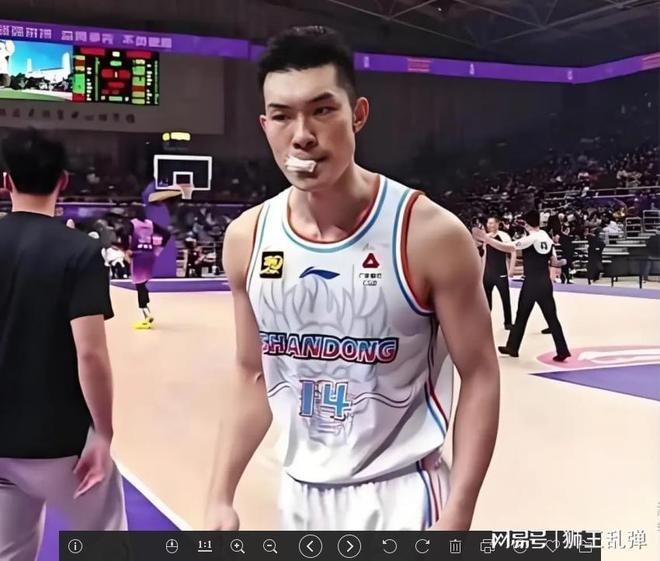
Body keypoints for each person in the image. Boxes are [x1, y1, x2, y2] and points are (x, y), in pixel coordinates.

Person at [204, 26, 500, 532]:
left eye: (322, 110)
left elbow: (480, 374)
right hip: (299, 494)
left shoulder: (429, 234)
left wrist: (459, 513)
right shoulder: (247, 238)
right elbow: (252, 374)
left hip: (403, 494)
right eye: (283, 115)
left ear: (357, 114)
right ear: (265, 125)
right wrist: (219, 496)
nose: (302, 134)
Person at [0, 128, 127, 561]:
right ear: (64, 181)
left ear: (6, 181)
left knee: (10, 552)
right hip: (58, 442)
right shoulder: (79, 252)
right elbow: (90, 355)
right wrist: (103, 434)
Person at [474, 210, 571, 362]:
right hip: (544, 282)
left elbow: (508, 247)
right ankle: (562, 349)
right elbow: (554, 260)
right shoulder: (545, 236)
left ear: (526, 224)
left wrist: (486, 238)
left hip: (531, 283)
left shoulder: (530, 239)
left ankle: (513, 347)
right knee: (552, 317)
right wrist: (560, 265)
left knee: (522, 315)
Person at [124, 205, 171, 330]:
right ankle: (147, 308)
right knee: (143, 283)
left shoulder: (133, 223)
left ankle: (146, 314)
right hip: (149, 255)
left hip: (138, 255)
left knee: (139, 285)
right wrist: (158, 249)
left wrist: (127, 249)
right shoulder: (150, 224)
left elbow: (124, 235)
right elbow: (167, 234)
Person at [480, 216, 513, 330]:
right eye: (488, 223)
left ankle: (508, 322)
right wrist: (482, 272)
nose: (489, 225)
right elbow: (484, 255)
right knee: (486, 300)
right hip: (488, 273)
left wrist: (511, 269)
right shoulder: (486, 238)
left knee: (505, 298)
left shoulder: (504, 236)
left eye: (492, 223)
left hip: (501, 272)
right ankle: (485, 322)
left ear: (498, 224)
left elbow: (512, 252)